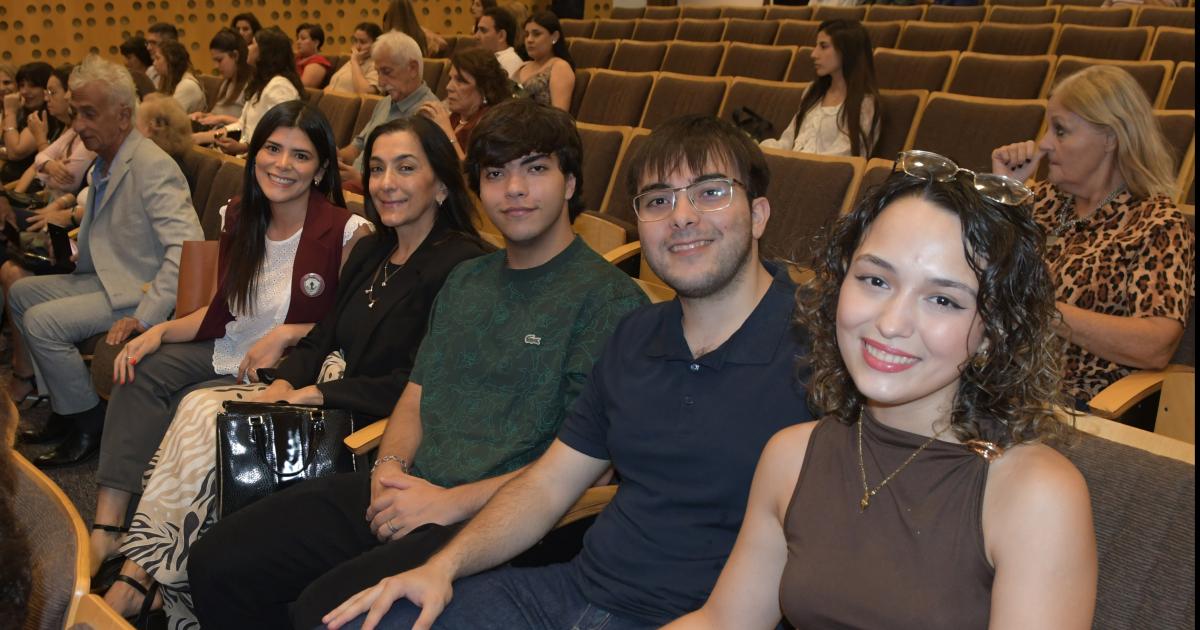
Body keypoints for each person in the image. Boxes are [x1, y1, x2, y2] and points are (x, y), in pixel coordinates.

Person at [319, 115, 814, 630]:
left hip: (701, 614)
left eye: (710, 192)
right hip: (571, 591)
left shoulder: (819, 350)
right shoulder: (635, 335)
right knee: (367, 619)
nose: (682, 217)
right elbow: (548, 485)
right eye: (659, 200)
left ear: (758, 214)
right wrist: (441, 568)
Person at [188, 98, 648, 630]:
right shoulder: (467, 279)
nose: (514, 189)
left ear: (570, 184)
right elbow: (416, 394)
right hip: (409, 487)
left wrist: (447, 503)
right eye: (496, 173)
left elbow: (582, 465)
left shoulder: (608, 302)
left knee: (324, 612)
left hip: (504, 517)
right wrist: (390, 472)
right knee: (220, 561)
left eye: (536, 169)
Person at [666, 153, 1097, 630]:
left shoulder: (1034, 495)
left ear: (993, 332)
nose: (891, 324)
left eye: (942, 300)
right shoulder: (790, 456)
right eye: (875, 280)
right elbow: (724, 621)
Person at [103, 114, 488, 628]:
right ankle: (163, 588)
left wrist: (312, 396)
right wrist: (285, 383)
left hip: (361, 427)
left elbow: (417, 385)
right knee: (202, 410)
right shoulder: (376, 250)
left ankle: (140, 581)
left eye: (405, 168)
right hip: (314, 399)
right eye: (376, 168)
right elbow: (323, 335)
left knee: (203, 412)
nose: (386, 183)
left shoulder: (460, 267)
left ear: (441, 182)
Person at [90, 101, 372, 627]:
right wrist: (158, 332)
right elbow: (220, 311)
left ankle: (143, 574)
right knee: (141, 369)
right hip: (230, 345)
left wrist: (290, 332)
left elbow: (352, 324)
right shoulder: (239, 214)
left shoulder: (347, 230)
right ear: (255, 152)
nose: (282, 164)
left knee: (193, 409)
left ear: (322, 168)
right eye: (271, 148)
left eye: (300, 154)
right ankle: (107, 531)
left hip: (291, 365)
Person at [8, 56, 203, 468]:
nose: (78, 125)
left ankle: (86, 424)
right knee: (22, 293)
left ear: (123, 115)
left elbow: (187, 248)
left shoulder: (152, 167)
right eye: (77, 113)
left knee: (43, 322)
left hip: (138, 290)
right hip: (106, 279)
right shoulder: (107, 159)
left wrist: (147, 317)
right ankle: (64, 409)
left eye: (89, 114)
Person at [991, 65, 1195, 407]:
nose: (1043, 144)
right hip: (995, 382)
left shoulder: (1156, 224)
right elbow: (979, 279)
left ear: (1111, 138)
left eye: (1061, 130)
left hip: (1073, 406)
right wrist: (1007, 192)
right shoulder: (1040, 201)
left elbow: (1157, 345)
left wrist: (1045, 311)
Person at [761, 19, 879, 157]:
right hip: (792, 167)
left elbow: (844, 158)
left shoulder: (865, 104)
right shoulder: (813, 93)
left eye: (823, 46)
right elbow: (788, 142)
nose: (814, 54)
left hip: (821, 175)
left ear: (846, 51)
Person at [336, 31, 437, 187]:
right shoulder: (384, 102)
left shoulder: (429, 113)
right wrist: (337, 157)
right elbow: (358, 146)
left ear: (413, 68)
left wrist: (361, 180)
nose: (381, 83)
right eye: (378, 72)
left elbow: (412, 184)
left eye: (387, 72)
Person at [211, 27, 304, 156]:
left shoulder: (280, 85)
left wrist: (245, 147)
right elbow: (242, 124)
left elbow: (284, 132)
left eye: (253, 43)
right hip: (250, 156)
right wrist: (216, 135)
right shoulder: (260, 83)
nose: (248, 47)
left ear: (265, 52)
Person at [418, 48, 510, 160]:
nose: (449, 87)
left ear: (484, 89)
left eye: (460, 81)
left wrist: (446, 130)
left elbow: (468, 174)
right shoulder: (455, 116)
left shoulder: (490, 126)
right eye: (450, 79)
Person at [2, 62, 61, 184]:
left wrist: (10, 112)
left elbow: (15, 152)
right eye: (22, 85)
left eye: (33, 86)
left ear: (47, 89)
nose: (24, 91)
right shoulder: (26, 111)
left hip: (32, 190)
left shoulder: (43, 116)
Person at [514, 11, 575, 112]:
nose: (529, 40)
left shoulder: (560, 67)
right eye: (526, 34)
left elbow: (559, 116)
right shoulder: (523, 66)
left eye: (536, 34)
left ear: (554, 37)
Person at [192, 28, 252, 125]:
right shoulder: (226, 82)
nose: (216, 66)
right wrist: (204, 116)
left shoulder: (251, 86)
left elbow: (252, 127)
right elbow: (218, 115)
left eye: (219, 60)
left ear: (235, 55)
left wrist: (222, 119)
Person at [327, 22, 383, 95]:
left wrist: (354, 62)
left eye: (363, 42)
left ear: (376, 44)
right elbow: (333, 85)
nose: (357, 47)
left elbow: (365, 92)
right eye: (355, 41)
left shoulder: (377, 65)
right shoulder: (356, 59)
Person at [152, 40, 206, 114]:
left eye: (158, 58)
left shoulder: (187, 85)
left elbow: (169, 117)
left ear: (171, 60)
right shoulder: (166, 80)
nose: (154, 63)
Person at [474, 6, 523, 79]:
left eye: (483, 31)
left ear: (501, 36)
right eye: (477, 30)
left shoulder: (511, 61)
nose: (476, 36)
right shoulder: (486, 58)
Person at [296, 23, 333, 89]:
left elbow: (303, 89)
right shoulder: (297, 58)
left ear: (316, 43)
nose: (298, 42)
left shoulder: (318, 62)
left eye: (303, 38)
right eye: (298, 38)